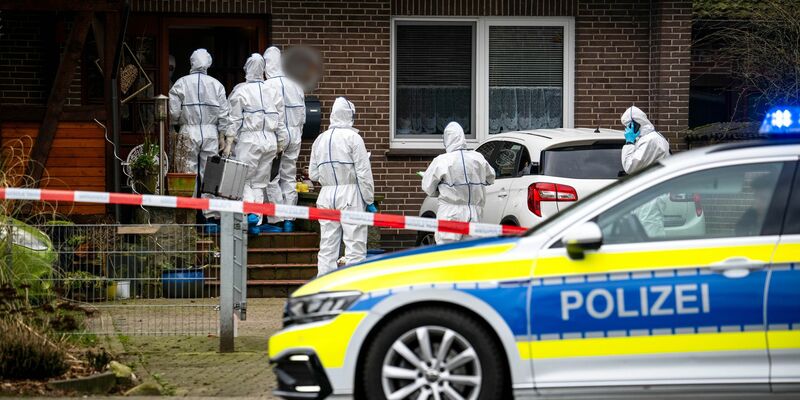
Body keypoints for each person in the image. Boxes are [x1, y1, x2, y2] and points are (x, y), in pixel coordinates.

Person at [309, 97, 377, 276]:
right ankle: (354, 287)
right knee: (355, 246)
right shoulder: (354, 138)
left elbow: (313, 175)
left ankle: (324, 289)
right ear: (349, 116)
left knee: (327, 247)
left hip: (325, 195)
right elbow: (364, 173)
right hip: (350, 194)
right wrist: (369, 199)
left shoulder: (320, 140)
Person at [168, 48, 230, 226]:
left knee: (188, 172)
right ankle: (210, 214)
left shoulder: (181, 83)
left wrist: (178, 124)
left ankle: (190, 213)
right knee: (211, 173)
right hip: (211, 132)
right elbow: (224, 113)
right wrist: (222, 134)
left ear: (192, 62)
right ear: (208, 63)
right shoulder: (216, 85)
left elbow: (173, 112)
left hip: (188, 130)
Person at [226, 53, 281, 234]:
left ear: (247, 69)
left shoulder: (242, 91)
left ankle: (249, 214)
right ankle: (256, 222)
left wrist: (228, 141)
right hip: (270, 141)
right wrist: (280, 141)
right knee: (260, 183)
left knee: (244, 180)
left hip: (250, 140)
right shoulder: (272, 90)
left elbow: (234, 119)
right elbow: (280, 118)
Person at [421, 121, 495, 245]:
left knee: (447, 254)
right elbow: (491, 178)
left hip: (450, 213)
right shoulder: (478, 158)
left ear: (446, 139)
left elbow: (428, 187)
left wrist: (441, 188)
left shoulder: (442, 161)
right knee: (470, 254)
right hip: (474, 213)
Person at [263, 46, 306, 232]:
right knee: (289, 176)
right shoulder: (296, 86)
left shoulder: (266, 87)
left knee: (272, 177)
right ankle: (290, 218)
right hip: (295, 136)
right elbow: (303, 115)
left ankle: (276, 219)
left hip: (276, 138)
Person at [620, 106, 670, 238]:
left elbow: (630, 166)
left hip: (651, 195)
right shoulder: (649, 138)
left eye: (628, 125)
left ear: (635, 124)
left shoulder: (650, 140)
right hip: (650, 192)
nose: (626, 129)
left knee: (650, 233)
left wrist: (629, 143)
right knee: (645, 231)